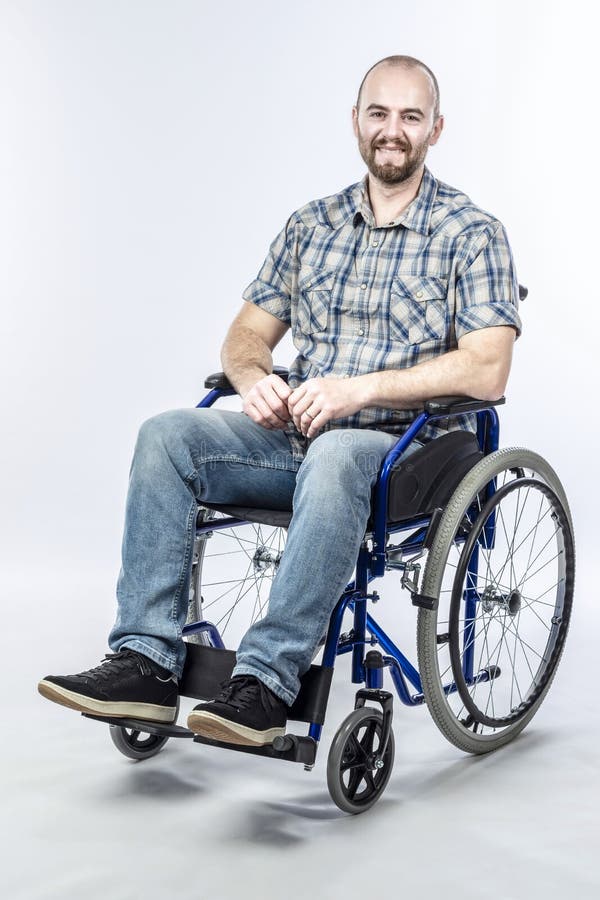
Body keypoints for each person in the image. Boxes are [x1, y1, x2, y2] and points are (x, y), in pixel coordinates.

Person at [38, 55, 522, 748]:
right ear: (356, 122)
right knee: (168, 434)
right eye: (379, 113)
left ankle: (266, 681)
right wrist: (253, 376)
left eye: (411, 117)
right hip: (298, 437)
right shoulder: (311, 225)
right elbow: (244, 334)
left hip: (401, 449)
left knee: (337, 452)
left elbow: (488, 367)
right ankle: (145, 663)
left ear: (435, 129)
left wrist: (357, 390)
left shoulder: (471, 233)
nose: (393, 130)